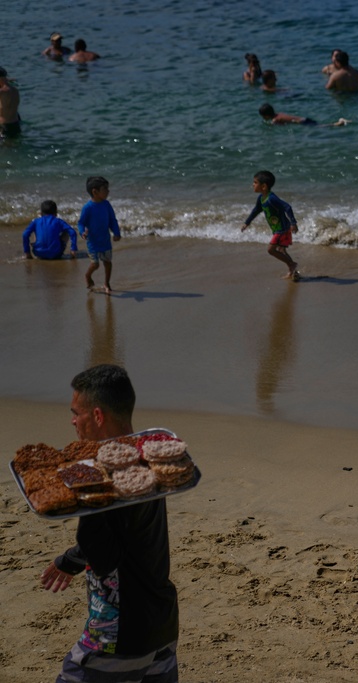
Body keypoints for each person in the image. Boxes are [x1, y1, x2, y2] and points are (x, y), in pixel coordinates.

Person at [41, 364, 179, 682]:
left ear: (99, 416)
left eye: (77, 413)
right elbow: (125, 533)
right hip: (162, 625)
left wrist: (84, 502)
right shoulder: (144, 459)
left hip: (119, 634)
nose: (73, 421)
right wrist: (70, 560)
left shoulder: (103, 479)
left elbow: (103, 556)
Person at [241, 169, 300, 281]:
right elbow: (256, 210)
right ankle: (292, 271)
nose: (252, 185)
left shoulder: (272, 198)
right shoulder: (261, 198)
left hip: (282, 229)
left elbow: (287, 207)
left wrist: (293, 223)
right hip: (277, 228)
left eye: (255, 182)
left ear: (264, 186)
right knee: (282, 251)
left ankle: (292, 264)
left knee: (271, 250)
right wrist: (247, 222)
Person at [78, 176, 122, 294]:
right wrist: (82, 232)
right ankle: (88, 276)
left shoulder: (106, 205)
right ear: (95, 192)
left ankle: (106, 283)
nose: (108, 191)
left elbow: (112, 220)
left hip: (105, 241)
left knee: (107, 262)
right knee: (95, 264)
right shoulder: (88, 208)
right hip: (93, 242)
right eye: (105, 189)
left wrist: (116, 232)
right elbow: (81, 223)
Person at [258, 103, 348, 127]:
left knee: (322, 126)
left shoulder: (275, 120)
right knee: (319, 125)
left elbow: (280, 125)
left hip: (302, 122)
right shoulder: (279, 114)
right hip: (303, 119)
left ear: (266, 115)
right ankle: (339, 122)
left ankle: (339, 123)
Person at [0, 67, 21, 139]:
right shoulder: (15, 90)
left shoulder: (2, 92)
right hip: (16, 125)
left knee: (4, 149)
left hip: (5, 127)